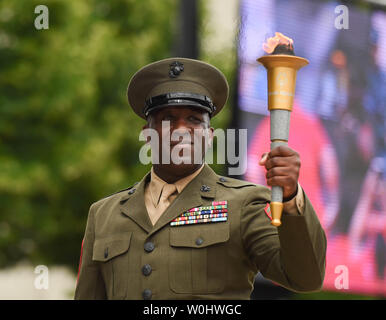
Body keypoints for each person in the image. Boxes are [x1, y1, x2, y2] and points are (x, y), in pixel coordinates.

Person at [74, 57, 327, 300]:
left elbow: (305, 278)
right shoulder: (103, 214)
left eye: (194, 120)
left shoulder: (245, 204)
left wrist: (291, 197)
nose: (181, 130)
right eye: (168, 119)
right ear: (148, 135)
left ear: (209, 136)